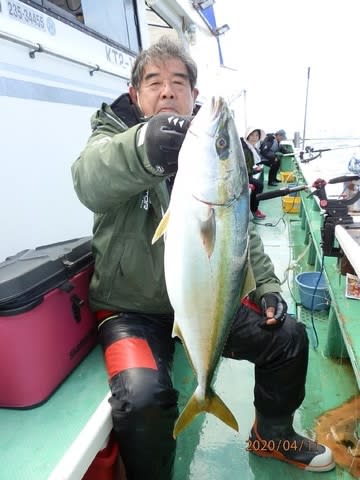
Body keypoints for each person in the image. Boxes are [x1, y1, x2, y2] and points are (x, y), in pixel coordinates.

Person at [71, 36, 334, 479]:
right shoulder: (112, 135)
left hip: (206, 303)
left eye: (179, 82)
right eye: (154, 82)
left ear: (194, 94)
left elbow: (237, 226)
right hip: (132, 310)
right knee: (143, 398)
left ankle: (272, 435)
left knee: (287, 338)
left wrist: (267, 286)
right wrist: (143, 147)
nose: (167, 91)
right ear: (135, 95)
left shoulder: (207, 151)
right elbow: (89, 180)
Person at [241, 126, 266, 219]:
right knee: (259, 186)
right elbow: (242, 168)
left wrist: (254, 169)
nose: (254, 137)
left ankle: (253, 208)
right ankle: (254, 209)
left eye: (256, 135)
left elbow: (248, 166)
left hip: (246, 175)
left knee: (258, 185)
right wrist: (255, 170)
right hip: (242, 178)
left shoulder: (249, 146)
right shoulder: (246, 149)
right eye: (252, 135)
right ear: (247, 136)